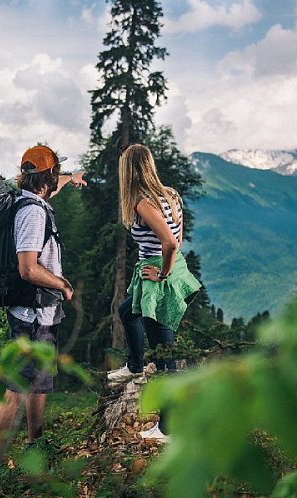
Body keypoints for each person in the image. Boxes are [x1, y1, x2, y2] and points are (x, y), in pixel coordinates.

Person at [0, 145, 86, 469]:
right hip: (32, 317)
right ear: (46, 175)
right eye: (56, 171)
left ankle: (34, 447)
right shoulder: (32, 212)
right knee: (16, 392)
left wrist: (72, 178)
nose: (58, 176)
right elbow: (27, 268)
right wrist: (62, 284)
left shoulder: (30, 200)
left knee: (38, 385)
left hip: (39, 314)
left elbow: (49, 189)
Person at [108, 143, 201, 439]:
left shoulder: (143, 204)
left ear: (128, 170)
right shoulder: (170, 194)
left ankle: (169, 429)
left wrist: (162, 274)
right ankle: (135, 365)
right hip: (168, 268)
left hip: (158, 273)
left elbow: (170, 243)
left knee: (164, 356)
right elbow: (179, 237)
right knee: (127, 311)